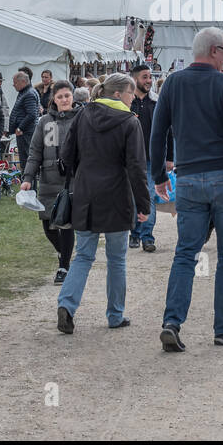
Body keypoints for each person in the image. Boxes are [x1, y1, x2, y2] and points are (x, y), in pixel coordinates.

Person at [151, 27, 223, 351]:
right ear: (215, 51)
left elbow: (158, 134)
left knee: (186, 253)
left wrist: (159, 175)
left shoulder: (173, 83)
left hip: (188, 179)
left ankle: (172, 322)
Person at [55, 73, 151, 333]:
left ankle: (66, 304)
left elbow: (66, 154)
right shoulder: (130, 122)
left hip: (86, 191)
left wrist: (82, 174)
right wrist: (144, 205)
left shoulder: (83, 115)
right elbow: (136, 167)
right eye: (131, 94)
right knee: (116, 259)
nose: (133, 99)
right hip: (116, 194)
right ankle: (115, 314)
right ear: (119, 94)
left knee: (83, 255)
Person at [20, 80, 78, 285]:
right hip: (48, 179)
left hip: (72, 180)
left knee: (66, 222)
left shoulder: (80, 119)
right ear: (54, 98)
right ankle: (65, 254)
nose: (64, 99)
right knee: (49, 225)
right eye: (60, 96)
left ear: (73, 97)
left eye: (67, 96)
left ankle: (64, 266)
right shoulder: (45, 121)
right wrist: (27, 178)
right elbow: (35, 151)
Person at [128, 62, 171, 252]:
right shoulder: (127, 104)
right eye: (144, 77)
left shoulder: (157, 102)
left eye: (149, 77)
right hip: (130, 159)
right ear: (134, 79)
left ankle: (147, 237)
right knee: (133, 197)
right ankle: (135, 233)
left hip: (153, 158)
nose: (148, 80)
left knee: (149, 196)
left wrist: (170, 158)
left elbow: (169, 132)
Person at [9, 71, 41, 155]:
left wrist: (20, 128)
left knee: (27, 158)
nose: (13, 85)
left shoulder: (29, 94)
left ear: (23, 82)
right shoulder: (24, 92)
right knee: (25, 159)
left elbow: (32, 114)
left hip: (26, 132)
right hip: (24, 132)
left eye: (15, 82)